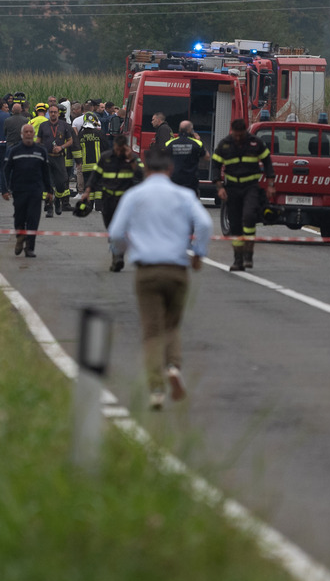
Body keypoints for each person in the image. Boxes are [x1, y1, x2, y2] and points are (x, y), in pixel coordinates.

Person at [107, 146, 213, 410]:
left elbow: (116, 233)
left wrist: (126, 250)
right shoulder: (184, 195)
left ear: (145, 169)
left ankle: (156, 389)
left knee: (152, 330)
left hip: (147, 270)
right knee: (171, 325)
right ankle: (173, 367)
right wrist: (198, 253)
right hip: (177, 269)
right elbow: (204, 224)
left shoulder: (134, 195)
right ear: (170, 168)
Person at [212, 118, 275, 272]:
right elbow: (215, 166)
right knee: (235, 225)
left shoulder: (255, 143)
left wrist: (270, 184)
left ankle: (248, 254)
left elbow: (267, 162)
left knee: (249, 217)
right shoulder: (225, 144)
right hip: (232, 188)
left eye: (241, 135)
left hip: (250, 187)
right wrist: (219, 187)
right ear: (232, 132)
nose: (238, 138)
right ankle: (238, 260)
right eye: (236, 135)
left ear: (245, 131)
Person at [79, 134, 144, 271]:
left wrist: (131, 160)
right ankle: (117, 253)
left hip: (125, 201)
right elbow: (95, 175)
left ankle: (118, 256)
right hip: (108, 199)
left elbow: (141, 174)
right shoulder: (106, 157)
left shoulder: (132, 158)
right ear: (114, 146)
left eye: (121, 149)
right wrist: (87, 191)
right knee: (111, 228)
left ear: (125, 147)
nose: (119, 152)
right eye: (117, 149)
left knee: (121, 229)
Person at [2, 123, 55, 259]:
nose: (29, 134)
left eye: (31, 132)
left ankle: (30, 248)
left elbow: (46, 172)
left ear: (34, 134)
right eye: (26, 132)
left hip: (35, 190)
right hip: (19, 190)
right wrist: (5, 189)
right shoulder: (14, 150)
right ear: (22, 134)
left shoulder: (41, 151)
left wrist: (49, 190)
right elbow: (6, 170)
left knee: (33, 219)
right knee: (19, 217)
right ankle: (20, 238)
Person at [38, 104, 75, 215]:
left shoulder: (64, 125)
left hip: (59, 158)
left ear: (58, 113)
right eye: (51, 112)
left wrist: (61, 147)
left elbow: (70, 141)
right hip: (47, 158)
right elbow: (38, 141)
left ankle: (57, 200)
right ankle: (49, 207)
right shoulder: (43, 126)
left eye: (55, 112)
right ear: (48, 113)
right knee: (48, 183)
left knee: (61, 182)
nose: (53, 114)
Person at [168, 121, 205, 192]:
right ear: (190, 130)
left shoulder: (169, 143)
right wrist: (198, 140)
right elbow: (207, 157)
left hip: (174, 180)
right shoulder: (196, 143)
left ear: (179, 129)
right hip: (190, 182)